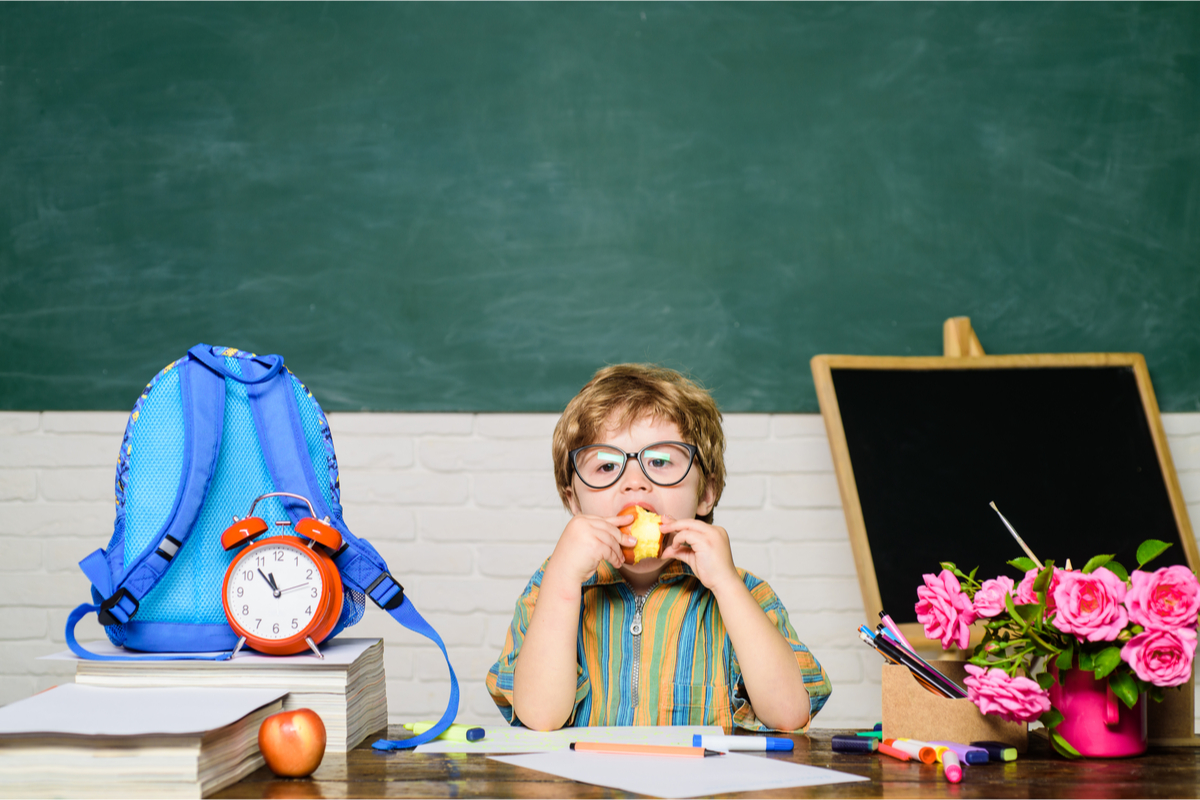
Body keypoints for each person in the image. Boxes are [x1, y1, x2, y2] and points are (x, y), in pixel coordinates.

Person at [486, 363, 831, 731]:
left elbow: (790, 715)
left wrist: (727, 587)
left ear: (706, 493)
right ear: (574, 501)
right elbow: (538, 717)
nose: (634, 483)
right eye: (605, 467)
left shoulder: (745, 594)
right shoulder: (548, 590)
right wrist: (563, 583)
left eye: (661, 461)